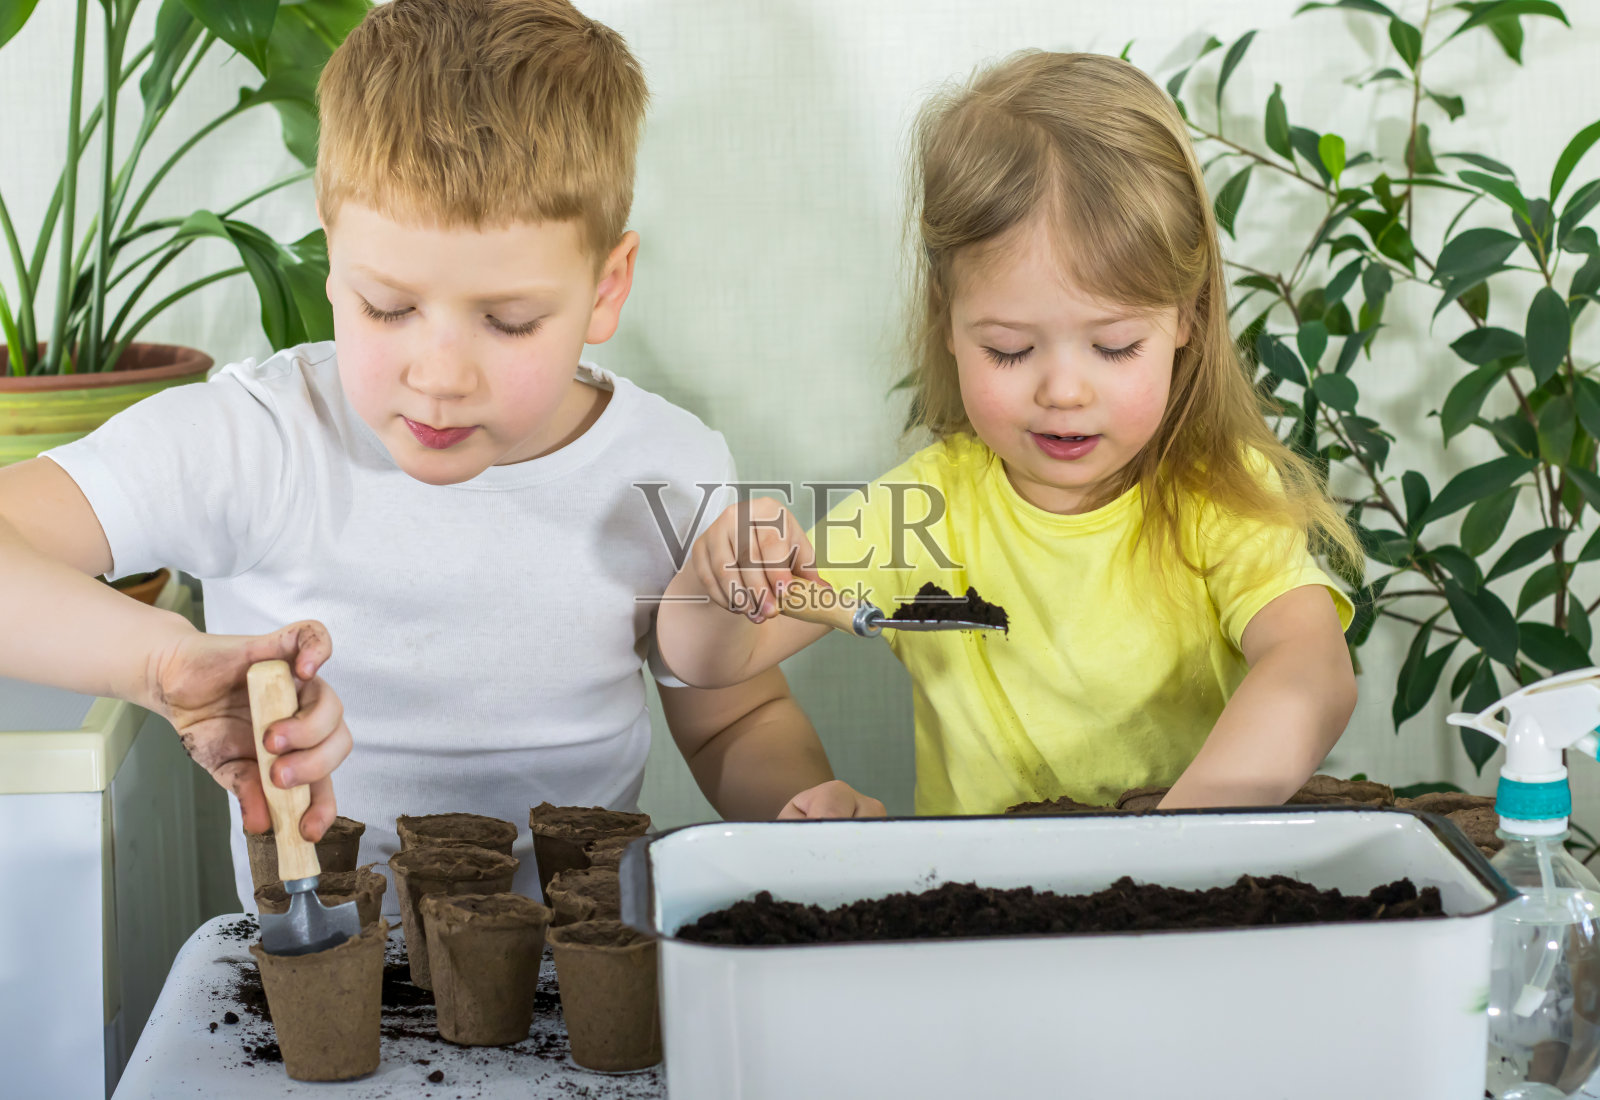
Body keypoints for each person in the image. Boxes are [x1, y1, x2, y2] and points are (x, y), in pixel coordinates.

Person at [0, 0, 881, 911]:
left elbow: (735, 717)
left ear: (605, 288)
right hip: (323, 995)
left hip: (578, 995)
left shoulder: (670, 466)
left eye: (509, 322)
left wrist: (795, 817)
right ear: (331, 248)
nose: (439, 375)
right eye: (386, 306)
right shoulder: (257, 441)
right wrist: (159, 664)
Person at [655, 51, 1359, 816]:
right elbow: (709, 664)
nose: (1062, 391)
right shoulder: (923, 512)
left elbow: (1312, 674)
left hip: (1186, 910)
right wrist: (719, 579)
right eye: (1010, 350)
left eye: (1115, 346)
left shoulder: (1218, 495)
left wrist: (1171, 844)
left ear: (1187, 316)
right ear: (948, 322)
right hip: (983, 918)